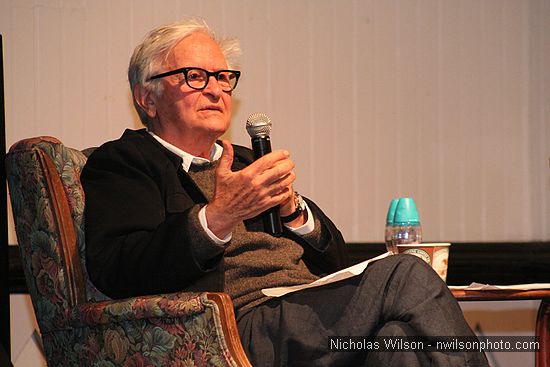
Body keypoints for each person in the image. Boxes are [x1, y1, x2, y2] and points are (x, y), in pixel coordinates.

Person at [81, 18, 489, 367]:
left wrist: (294, 212)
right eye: (195, 76)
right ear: (146, 97)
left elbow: (336, 261)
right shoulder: (125, 162)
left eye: (224, 77)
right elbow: (117, 269)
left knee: (399, 344)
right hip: (241, 323)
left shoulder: (246, 160)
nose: (216, 90)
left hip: (307, 307)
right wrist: (217, 217)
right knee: (406, 271)